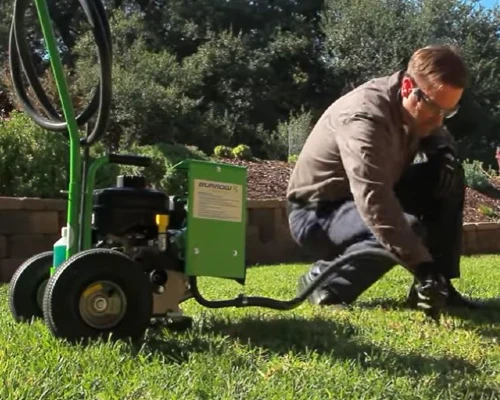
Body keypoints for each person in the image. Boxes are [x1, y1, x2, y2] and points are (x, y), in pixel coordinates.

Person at [286, 44, 485, 316]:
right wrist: (421, 264)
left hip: (365, 198)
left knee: (446, 174)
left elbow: (436, 132)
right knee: (405, 227)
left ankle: (439, 286)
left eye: (447, 112)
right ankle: (325, 283)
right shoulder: (363, 116)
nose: (439, 120)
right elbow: (374, 199)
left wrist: (444, 152)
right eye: (434, 108)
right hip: (317, 212)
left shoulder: (419, 109)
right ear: (406, 87)